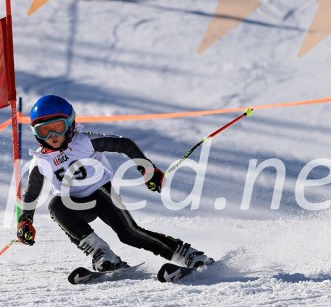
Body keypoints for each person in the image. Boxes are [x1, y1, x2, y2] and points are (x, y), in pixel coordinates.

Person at [16, 95, 213, 272]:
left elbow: (123, 144)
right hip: (73, 205)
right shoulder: (40, 161)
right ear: (35, 133)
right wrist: (25, 221)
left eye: (57, 127)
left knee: (129, 234)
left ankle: (189, 255)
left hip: (101, 194)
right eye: (44, 131)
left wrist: (147, 169)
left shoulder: (83, 141)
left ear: (70, 123)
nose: (52, 137)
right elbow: (31, 193)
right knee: (55, 206)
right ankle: (103, 255)